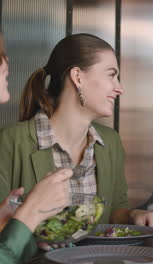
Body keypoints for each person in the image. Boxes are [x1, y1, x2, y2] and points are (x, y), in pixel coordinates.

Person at [0, 33, 153, 231]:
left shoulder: (110, 142)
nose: (119, 88)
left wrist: (133, 215)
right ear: (77, 76)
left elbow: (115, 209)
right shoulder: (10, 141)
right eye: (111, 75)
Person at [0, 34, 74, 263]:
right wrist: (31, 213)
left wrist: (23, 235)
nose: (7, 61)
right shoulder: (11, 138)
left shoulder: (109, 142)